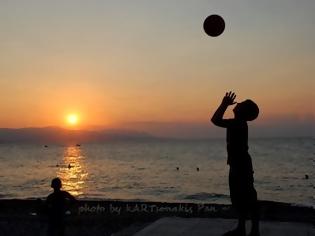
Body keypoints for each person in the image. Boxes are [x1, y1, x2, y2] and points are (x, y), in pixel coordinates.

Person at [211, 92, 260, 236]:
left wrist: (224, 104)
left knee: (247, 198)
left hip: (240, 166)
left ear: (242, 111)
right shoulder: (238, 123)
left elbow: (215, 120)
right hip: (239, 164)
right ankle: (243, 228)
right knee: (240, 197)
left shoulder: (237, 123)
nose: (237, 103)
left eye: (241, 104)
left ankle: (252, 230)